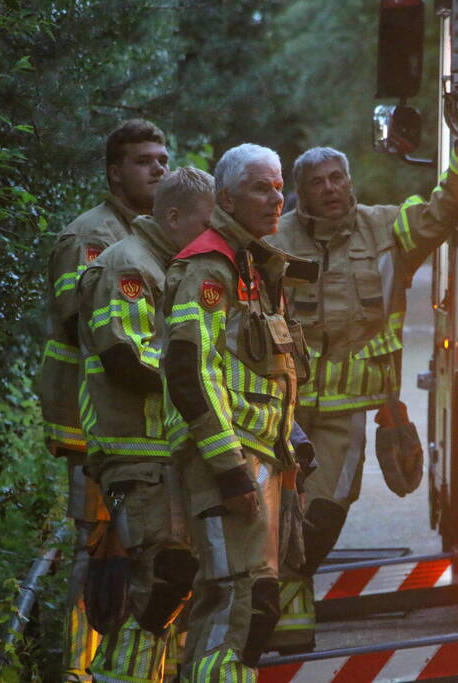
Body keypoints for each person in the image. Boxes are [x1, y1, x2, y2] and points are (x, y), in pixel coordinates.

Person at [263, 109, 458, 651]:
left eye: (337, 178)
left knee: (322, 515)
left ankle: (283, 598)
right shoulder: (271, 238)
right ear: (300, 193)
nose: (330, 189)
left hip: (345, 412)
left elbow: (442, 211)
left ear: (350, 183)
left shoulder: (387, 226)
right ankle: (280, 621)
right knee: (268, 511)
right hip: (277, 406)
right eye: (317, 183)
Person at [161, 143, 316, 682]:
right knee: (237, 599)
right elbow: (190, 370)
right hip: (229, 463)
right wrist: (230, 470)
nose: (275, 199)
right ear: (226, 199)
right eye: (260, 188)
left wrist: (291, 444)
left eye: (278, 187)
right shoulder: (209, 267)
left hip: (260, 459)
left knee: (252, 604)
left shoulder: (255, 262)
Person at [36, 118, 170, 681]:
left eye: (163, 160)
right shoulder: (91, 237)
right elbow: (85, 326)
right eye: (144, 161)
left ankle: (135, 662)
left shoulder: (159, 231)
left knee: (142, 546)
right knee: (94, 547)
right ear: (115, 173)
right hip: (88, 421)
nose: (157, 170)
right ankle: (77, 667)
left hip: (135, 422)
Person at [76, 167, 215, 681]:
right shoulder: (129, 265)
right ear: (173, 216)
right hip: (139, 451)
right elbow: (124, 357)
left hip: (164, 451)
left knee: (173, 581)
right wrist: (199, 387)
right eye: (205, 224)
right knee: (161, 578)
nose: (211, 236)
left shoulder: (171, 264)